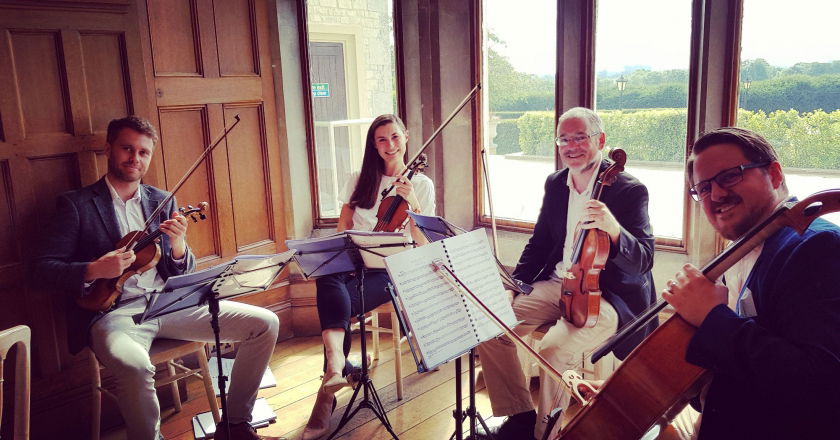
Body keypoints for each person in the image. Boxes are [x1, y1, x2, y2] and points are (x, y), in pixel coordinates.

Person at [30, 116, 281, 440]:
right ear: (108, 148)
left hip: (170, 303)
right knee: (135, 366)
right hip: (114, 314)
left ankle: (235, 424)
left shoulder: (161, 200)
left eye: (143, 152)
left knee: (265, 323)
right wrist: (94, 270)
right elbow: (41, 271)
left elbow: (182, 271)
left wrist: (178, 245)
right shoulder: (76, 204)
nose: (135, 158)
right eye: (127, 148)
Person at [476, 107, 656, 440]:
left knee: (553, 351)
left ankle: (544, 435)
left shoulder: (629, 190)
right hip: (558, 283)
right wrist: (514, 285)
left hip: (607, 296)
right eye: (564, 139)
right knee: (490, 325)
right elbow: (540, 242)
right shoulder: (557, 183)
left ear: (600, 140)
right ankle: (520, 418)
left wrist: (614, 229)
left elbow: (643, 260)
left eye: (580, 138)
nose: (571, 146)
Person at [661, 127, 840, 439]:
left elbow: (819, 384)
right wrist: (638, 389)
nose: (716, 195)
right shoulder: (741, 251)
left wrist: (712, 316)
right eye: (704, 188)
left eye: (730, 176)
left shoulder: (816, 245)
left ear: (774, 174)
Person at [302, 114, 435, 439]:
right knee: (327, 275)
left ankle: (328, 387)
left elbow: (423, 243)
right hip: (353, 260)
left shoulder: (421, 184)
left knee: (337, 304)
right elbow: (343, 228)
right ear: (373, 145)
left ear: (406, 137)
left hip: (392, 268)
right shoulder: (359, 179)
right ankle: (336, 363)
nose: (390, 145)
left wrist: (412, 202)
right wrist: (350, 251)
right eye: (381, 139)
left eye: (395, 137)